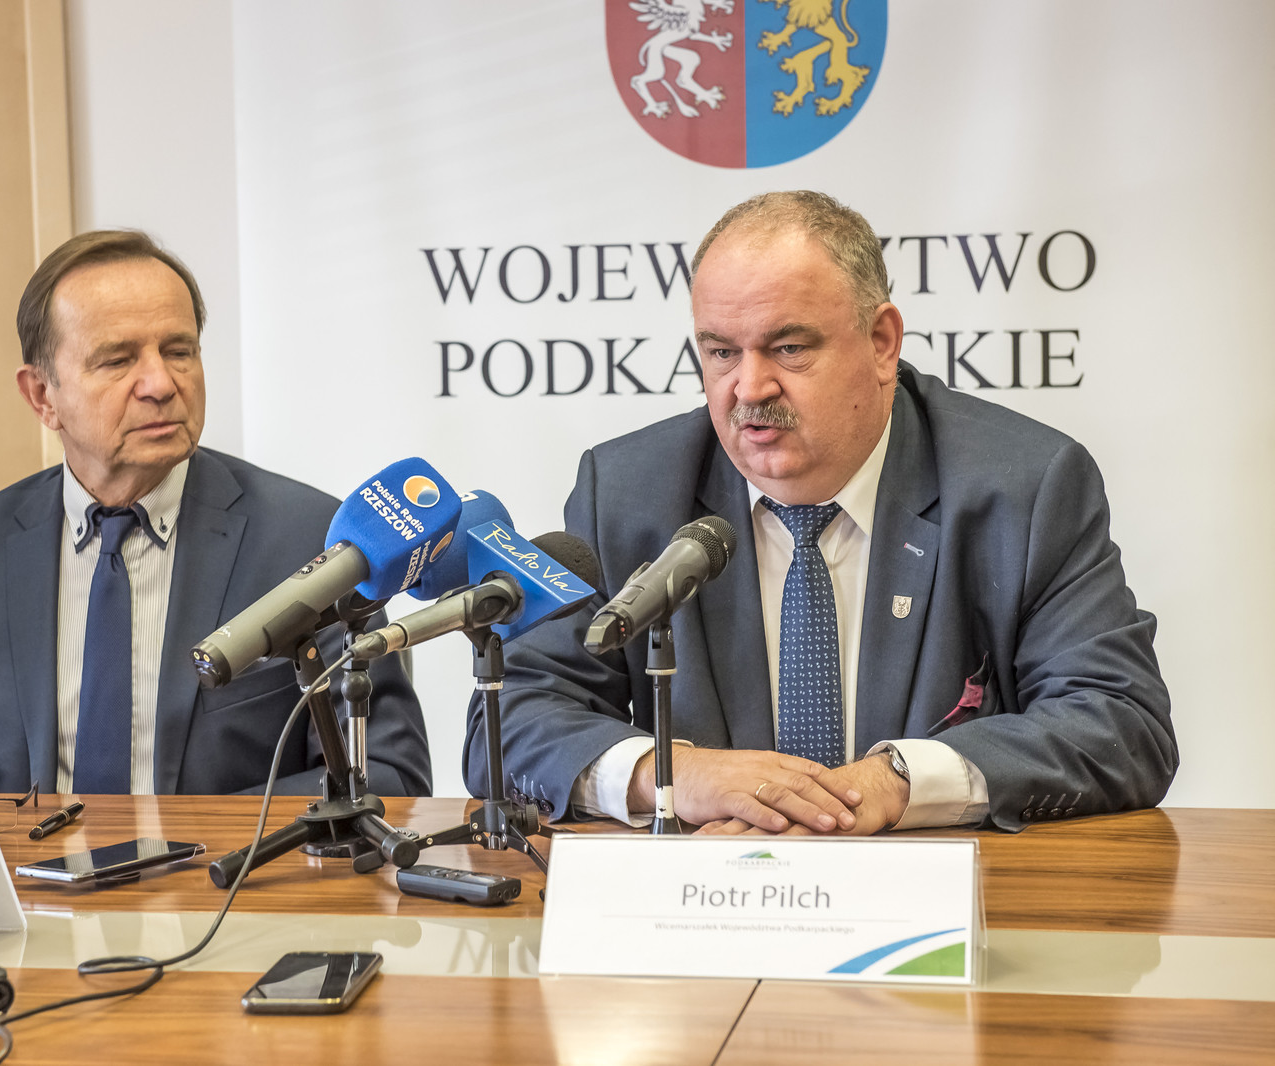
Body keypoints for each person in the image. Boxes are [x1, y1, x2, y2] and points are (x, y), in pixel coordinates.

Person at [466, 191, 1175, 834]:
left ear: (881, 342)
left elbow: (1120, 722)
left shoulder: (1023, 486)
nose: (749, 388)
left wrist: (899, 783)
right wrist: (677, 776)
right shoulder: (629, 491)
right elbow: (511, 720)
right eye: (721, 352)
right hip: (703, 906)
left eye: (789, 348)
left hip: (944, 907)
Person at [0, 231, 431, 797]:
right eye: (118, 360)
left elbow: (385, 772)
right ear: (43, 396)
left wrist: (198, 841)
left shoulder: (307, 538)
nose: (160, 384)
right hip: (21, 870)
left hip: (224, 871)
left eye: (179, 351)